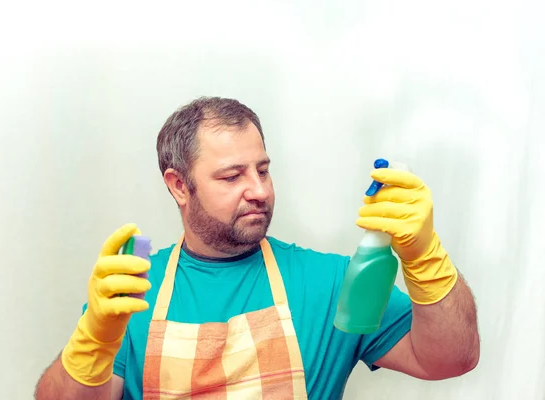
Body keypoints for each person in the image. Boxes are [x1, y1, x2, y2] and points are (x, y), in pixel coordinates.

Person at [35, 96, 480, 400]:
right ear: (178, 185)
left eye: (262, 170)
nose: (259, 191)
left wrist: (425, 258)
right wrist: (92, 341)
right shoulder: (132, 292)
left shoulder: (329, 284)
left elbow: (450, 359)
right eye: (232, 176)